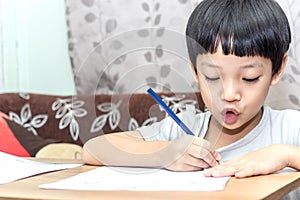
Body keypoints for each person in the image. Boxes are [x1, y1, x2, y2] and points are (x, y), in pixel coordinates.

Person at [82, 0, 300, 181]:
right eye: (213, 77)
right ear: (195, 70)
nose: (230, 94)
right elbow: (93, 149)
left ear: (278, 69)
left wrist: (287, 155)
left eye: (249, 78)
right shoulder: (182, 130)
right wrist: (165, 154)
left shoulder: (290, 129)